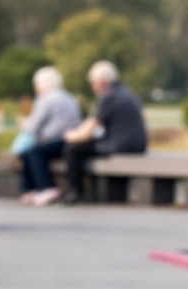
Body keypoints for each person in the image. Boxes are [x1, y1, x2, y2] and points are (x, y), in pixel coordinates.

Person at [62, 61, 148, 203]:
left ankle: (76, 192)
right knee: (83, 146)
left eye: (93, 82)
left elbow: (89, 129)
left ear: (101, 82)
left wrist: (70, 136)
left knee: (72, 149)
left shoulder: (109, 96)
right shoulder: (126, 92)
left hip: (120, 144)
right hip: (137, 143)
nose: (92, 86)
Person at [18, 66, 83, 206]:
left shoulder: (46, 99)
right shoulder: (69, 97)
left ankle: (45, 188)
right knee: (33, 151)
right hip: (70, 140)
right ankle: (33, 189)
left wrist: (23, 124)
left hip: (56, 140)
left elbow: (34, 125)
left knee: (32, 152)